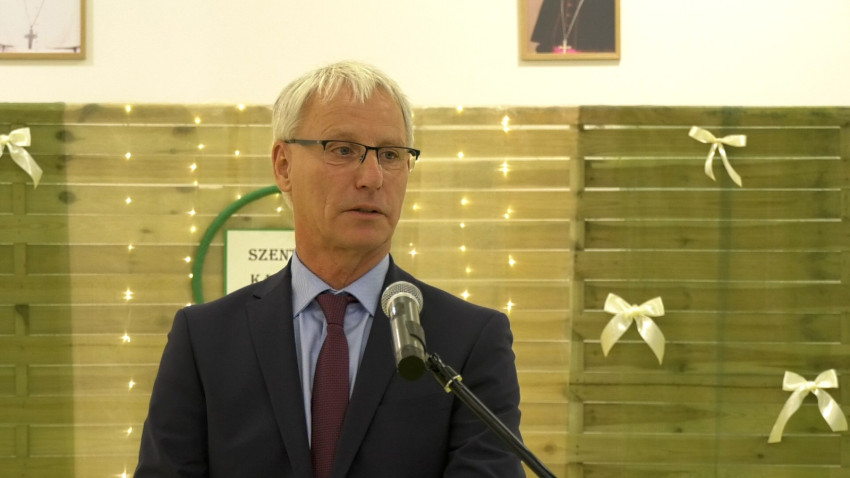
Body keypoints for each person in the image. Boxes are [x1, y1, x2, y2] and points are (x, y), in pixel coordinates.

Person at [135, 60, 525, 477]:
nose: (373, 177)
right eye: (343, 150)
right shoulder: (205, 340)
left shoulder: (469, 340)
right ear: (284, 166)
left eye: (391, 155)